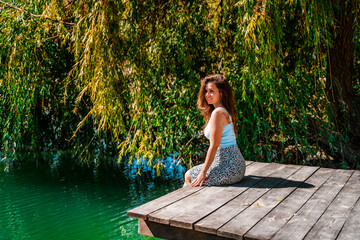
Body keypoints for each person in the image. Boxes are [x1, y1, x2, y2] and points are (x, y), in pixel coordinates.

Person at [183, 74, 246, 187]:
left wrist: (203, 173)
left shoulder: (218, 113)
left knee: (189, 176)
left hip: (230, 166)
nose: (207, 95)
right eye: (206, 91)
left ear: (221, 93)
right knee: (190, 175)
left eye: (211, 91)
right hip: (233, 163)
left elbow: (214, 145)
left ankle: (188, 203)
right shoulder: (222, 110)